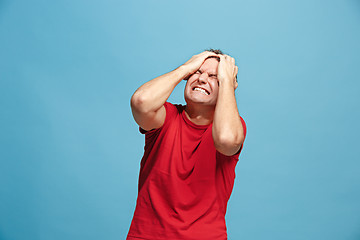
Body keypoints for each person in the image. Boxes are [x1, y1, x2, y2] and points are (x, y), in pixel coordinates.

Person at [126, 49, 247, 240]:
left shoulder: (232, 126)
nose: (202, 79)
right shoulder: (165, 117)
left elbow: (226, 140)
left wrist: (227, 83)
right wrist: (186, 67)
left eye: (215, 76)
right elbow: (141, 102)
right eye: (198, 72)